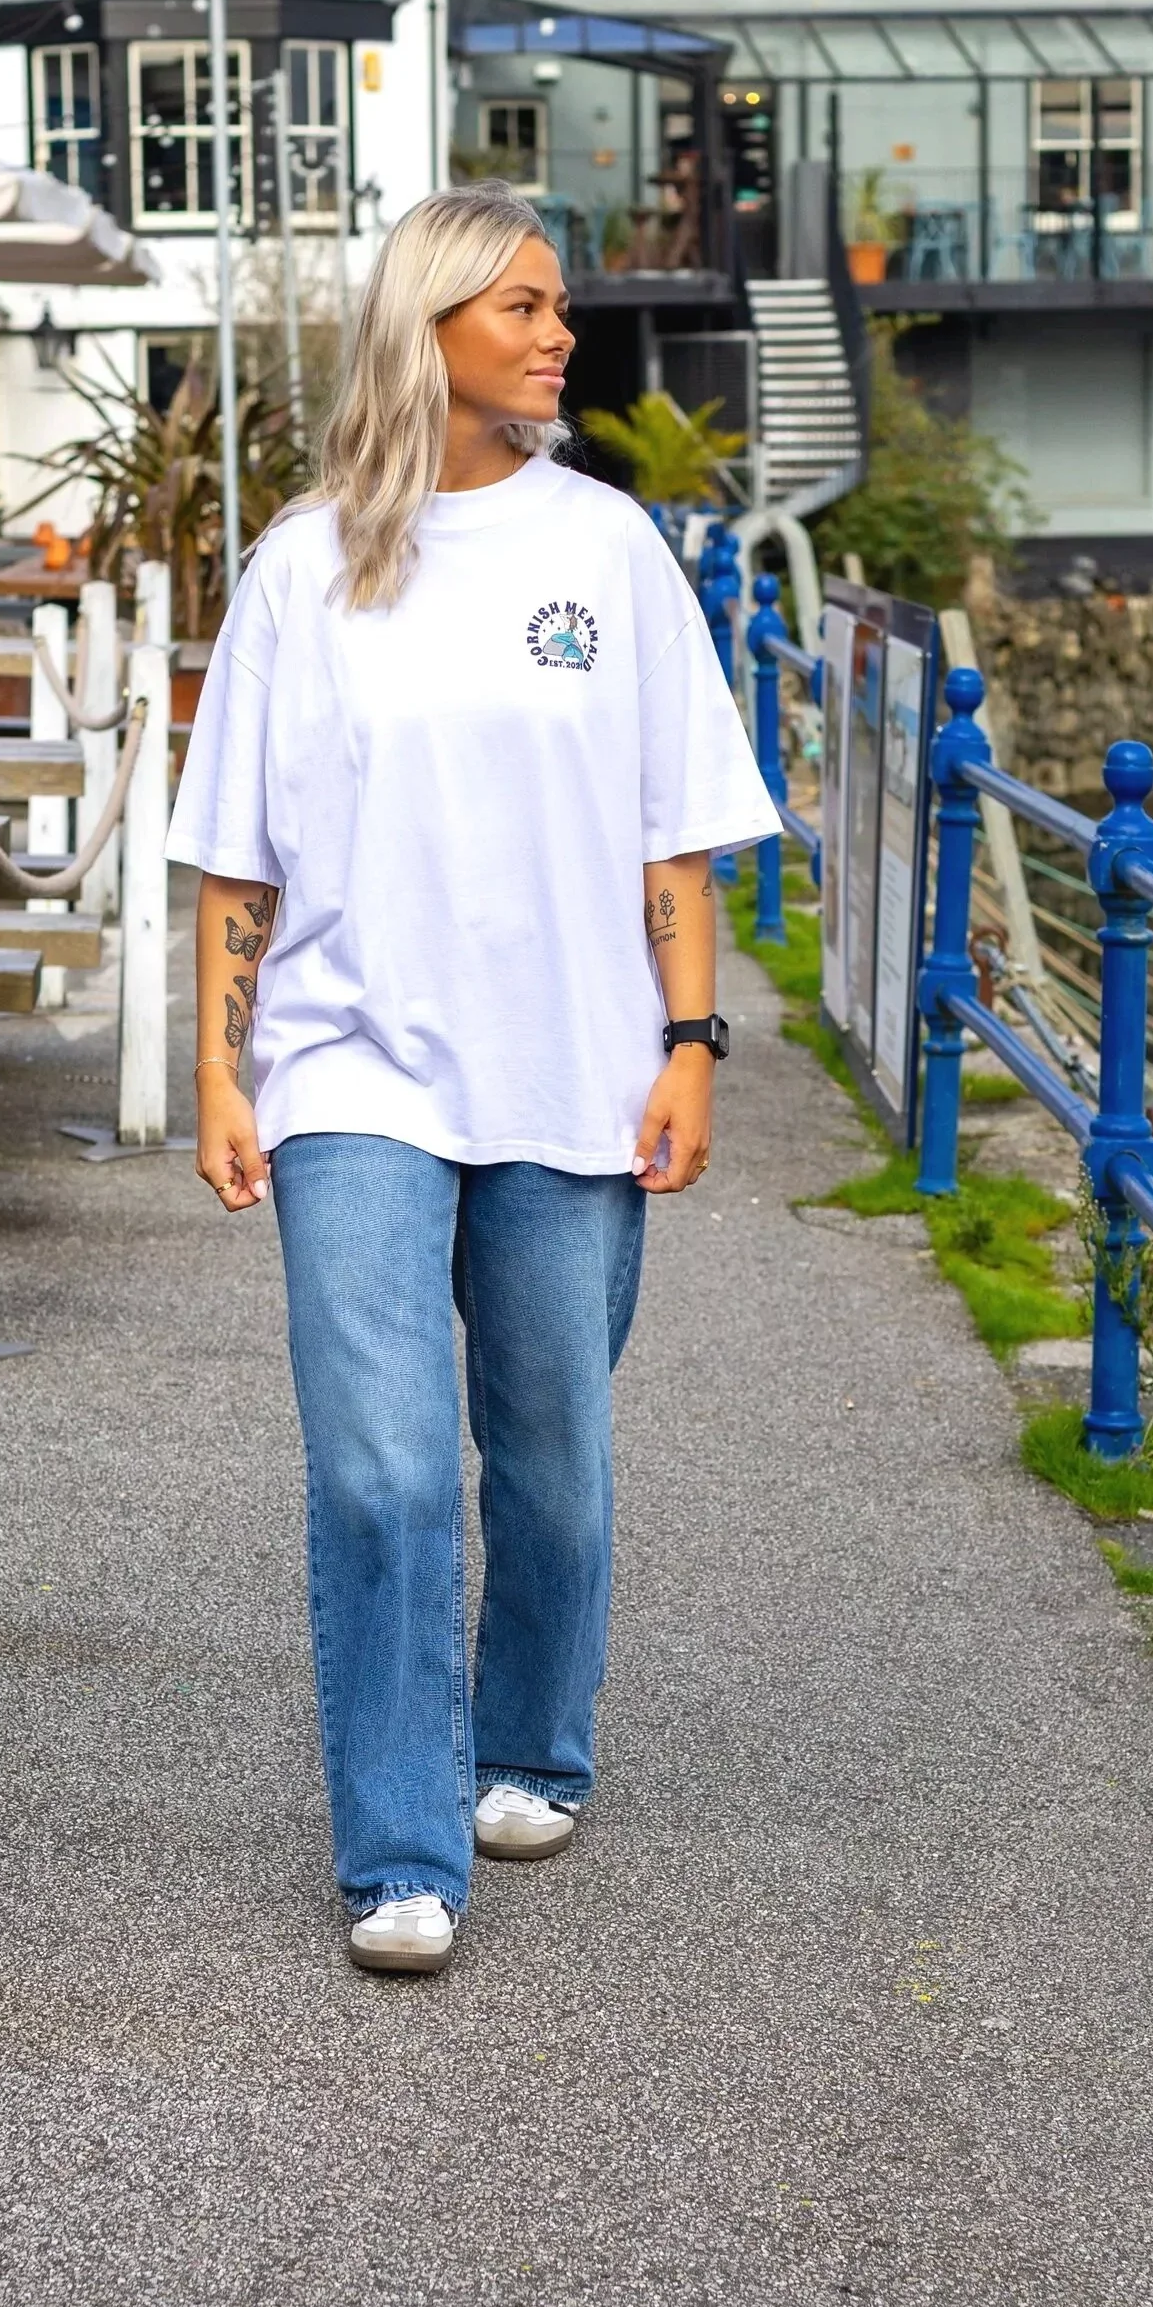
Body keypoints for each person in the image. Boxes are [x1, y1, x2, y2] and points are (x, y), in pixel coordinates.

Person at [165, 184, 777, 1974]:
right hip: (349, 1064)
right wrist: (221, 1067)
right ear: (429, 328)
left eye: (558, 305)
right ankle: (402, 1846)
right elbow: (238, 861)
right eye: (520, 304)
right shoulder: (304, 565)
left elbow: (678, 840)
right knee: (380, 1470)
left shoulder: (610, 555)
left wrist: (690, 1043)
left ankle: (530, 1741)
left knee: (555, 1461)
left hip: (575, 1069)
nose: (557, 332)